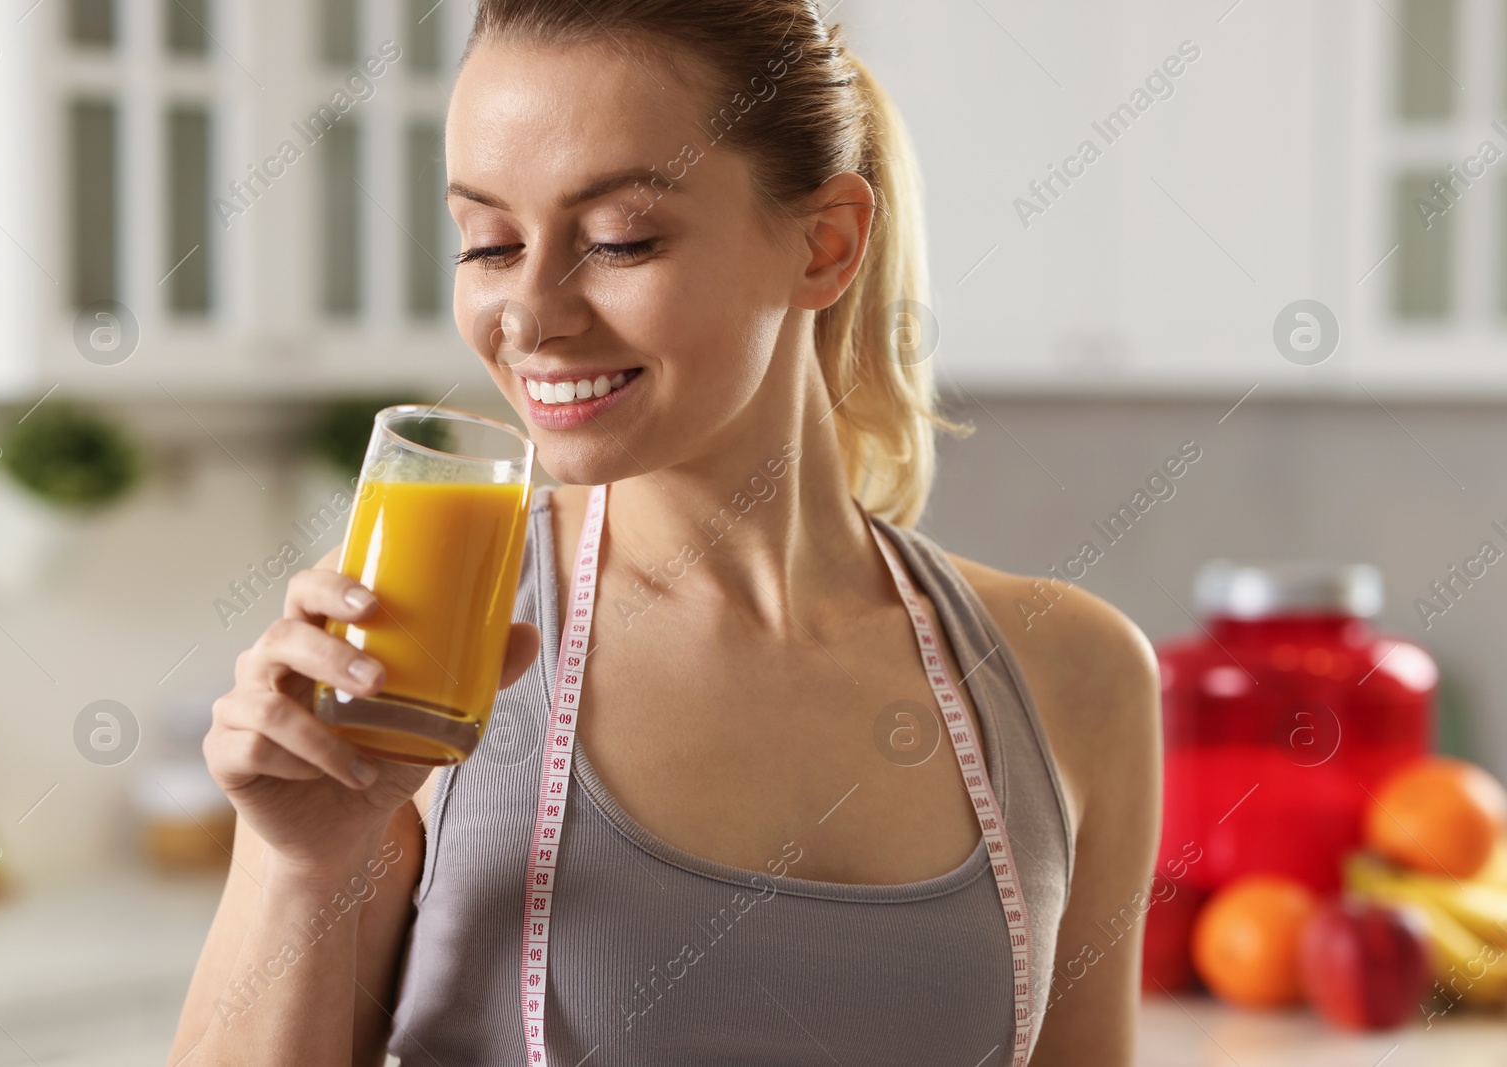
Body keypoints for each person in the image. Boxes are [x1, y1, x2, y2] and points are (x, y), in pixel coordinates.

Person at [169, 2, 1161, 1064]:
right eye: (490, 243)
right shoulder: (423, 640)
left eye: (618, 240)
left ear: (824, 247)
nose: (529, 314)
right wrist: (302, 862)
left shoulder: (1073, 675)